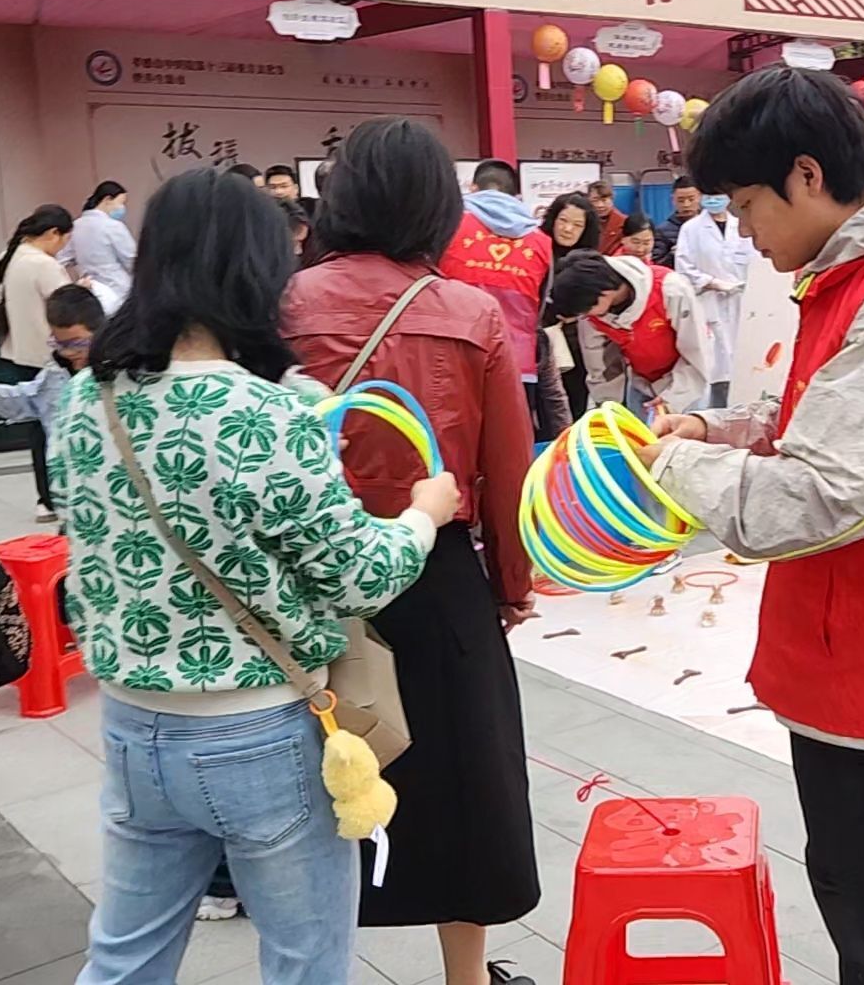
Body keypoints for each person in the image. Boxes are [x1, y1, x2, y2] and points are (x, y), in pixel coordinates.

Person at [637, 66, 864, 983]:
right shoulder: (851, 280)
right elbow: (817, 419)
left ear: (806, 175)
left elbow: (826, 493)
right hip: (859, 644)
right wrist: (717, 430)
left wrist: (670, 467)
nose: (743, 231)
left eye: (747, 204)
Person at [51, 167, 458, 985]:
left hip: (132, 725)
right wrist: (424, 513)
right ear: (256, 270)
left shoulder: (88, 401)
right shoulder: (269, 414)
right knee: (306, 962)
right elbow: (359, 576)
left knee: (124, 959)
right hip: (257, 733)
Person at [283, 117, 540, 985]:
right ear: (438, 208)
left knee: (315, 783)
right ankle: (466, 977)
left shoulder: (282, 304)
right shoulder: (471, 313)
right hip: (435, 572)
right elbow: (508, 470)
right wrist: (510, 583)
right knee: (464, 784)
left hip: (308, 576)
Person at [548, 249, 711, 416]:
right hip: (641, 383)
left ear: (604, 294)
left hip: (687, 386)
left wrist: (674, 399)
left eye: (587, 310)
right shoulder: (592, 313)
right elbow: (600, 364)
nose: (586, 316)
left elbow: (697, 351)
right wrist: (607, 406)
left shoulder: (670, 290)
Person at [438, 159, 552, 386]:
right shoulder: (541, 241)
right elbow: (541, 306)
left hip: (454, 356)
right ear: (516, 195)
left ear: (473, 188)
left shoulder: (448, 226)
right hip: (516, 363)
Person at [0, 204, 74, 522]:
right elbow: (67, 311)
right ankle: (60, 495)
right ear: (54, 233)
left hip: (20, 354)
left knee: (36, 431)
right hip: (50, 358)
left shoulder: (8, 256)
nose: (63, 248)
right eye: (65, 240)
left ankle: (45, 499)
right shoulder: (44, 265)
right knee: (58, 430)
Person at [674, 190, 757, 408]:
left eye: (718, 194)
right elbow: (683, 267)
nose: (713, 200)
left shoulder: (741, 226)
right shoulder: (691, 229)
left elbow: (757, 261)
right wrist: (711, 282)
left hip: (742, 303)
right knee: (712, 367)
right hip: (707, 302)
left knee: (743, 363)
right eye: (708, 195)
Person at [0, 283, 104, 440]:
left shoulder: (120, 375)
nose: (68, 352)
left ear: (101, 333)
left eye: (77, 343)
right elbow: (30, 399)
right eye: (60, 344)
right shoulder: (57, 373)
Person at [540, 191, 602, 417]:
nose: (568, 229)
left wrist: (579, 313)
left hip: (578, 344)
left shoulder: (591, 260)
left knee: (575, 405)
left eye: (577, 225)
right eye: (563, 221)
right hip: (541, 340)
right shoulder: (537, 250)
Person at [63, 182, 137, 309]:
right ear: (107, 199)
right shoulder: (113, 226)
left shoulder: (75, 226)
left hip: (91, 291)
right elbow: (131, 261)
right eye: (120, 203)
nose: (122, 208)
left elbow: (62, 259)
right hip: (119, 291)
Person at [652, 175, 701, 266]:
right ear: (673, 200)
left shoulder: (711, 224)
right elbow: (657, 264)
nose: (686, 204)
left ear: (700, 197)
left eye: (691, 199)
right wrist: (673, 255)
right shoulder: (662, 231)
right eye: (681, 200)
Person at [586, 179, 627, 257]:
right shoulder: (582, 220)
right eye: (595, 200)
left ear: (612, 200)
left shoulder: (624, 223)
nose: (600, 205)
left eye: (604, 200)